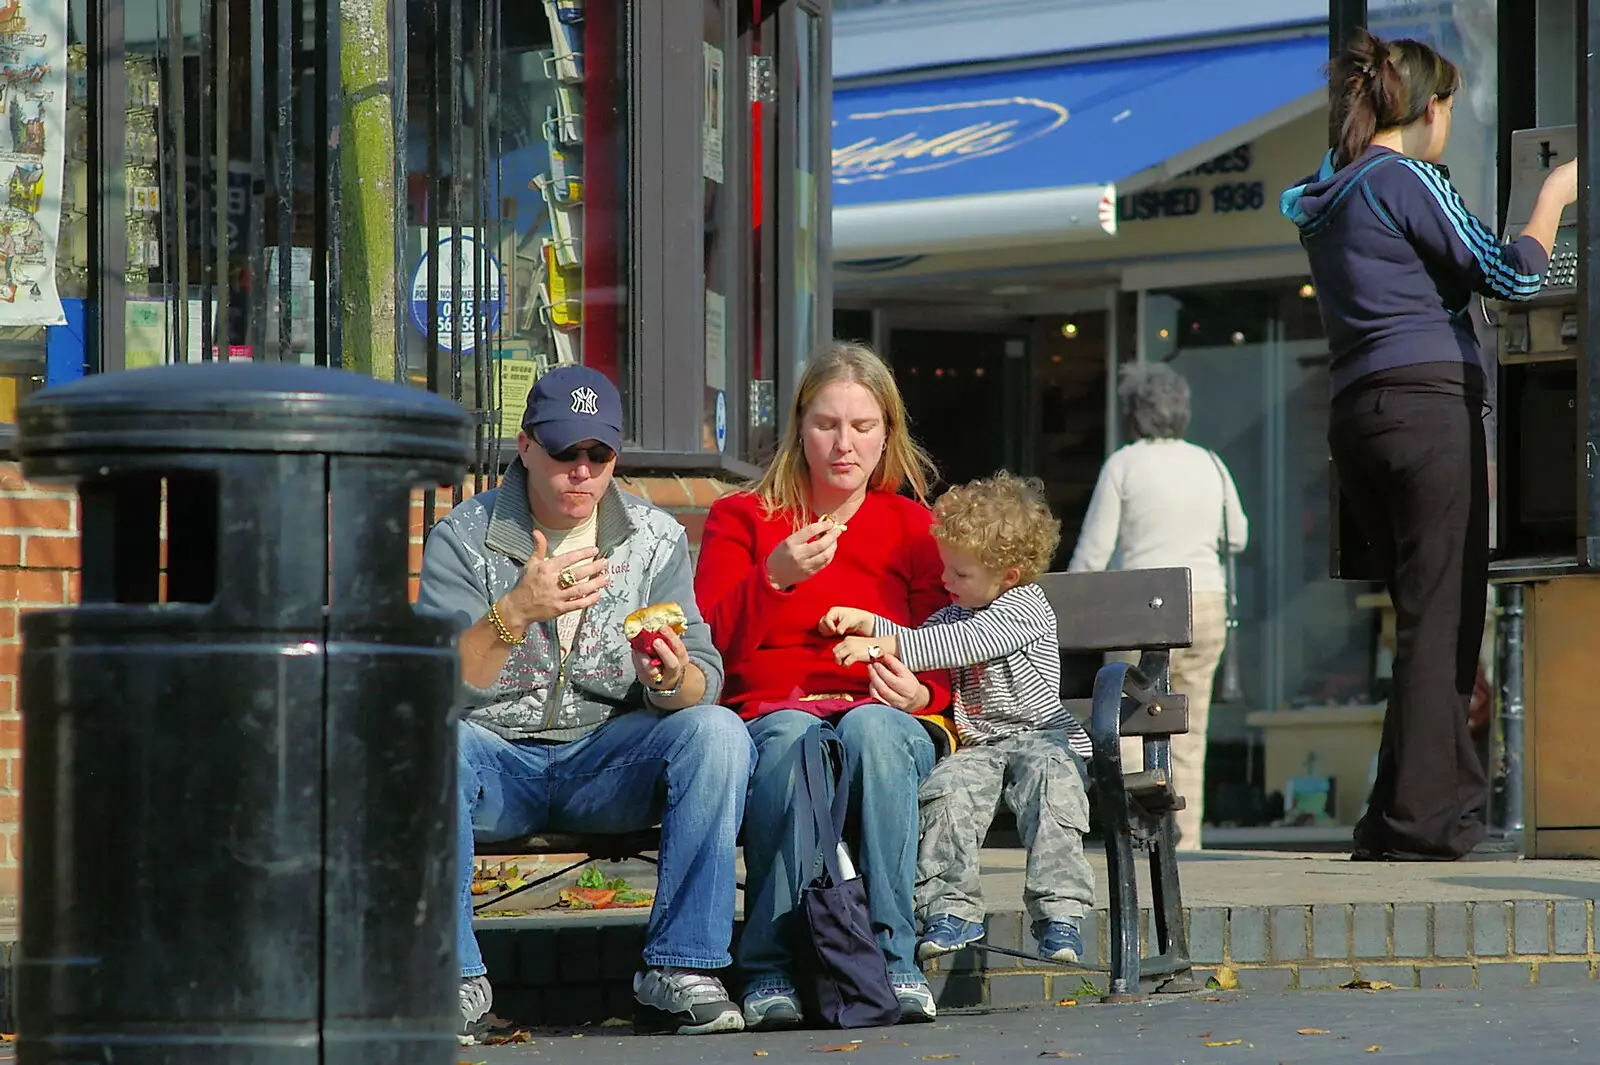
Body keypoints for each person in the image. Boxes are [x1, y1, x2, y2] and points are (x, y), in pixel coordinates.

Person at [1280, 29, 1578, 860]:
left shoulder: (1328, 189)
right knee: (1444, 620)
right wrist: (1555, 194)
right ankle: (1426, 824)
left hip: (1359, 415)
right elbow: (1515, 273)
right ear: (1430, 108)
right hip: (1426, 408)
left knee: (1423, 616)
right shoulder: (1406, 176)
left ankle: (1396, 817)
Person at [418, 365, 754, 1041]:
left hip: (606, 757)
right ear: (527, 446)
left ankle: (680, 967)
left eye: (598, 454)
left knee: (717, 732)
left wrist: (669, 676)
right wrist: (515, 609)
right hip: (495, 760)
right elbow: (430, 689)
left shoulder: (653, 538)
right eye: (565, 451)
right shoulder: (465, 536)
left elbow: (704, 679)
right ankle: (452, 977)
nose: (582, 470)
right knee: (431, 745)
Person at [694, 341, 952, 1030]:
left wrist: (922, 694)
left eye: (863, 427)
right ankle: (768, 966)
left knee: (873, 729)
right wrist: (773, 577)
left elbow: (949, 651)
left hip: (884, 713)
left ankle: (896, 958)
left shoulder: (913, 527)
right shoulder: (743, 517)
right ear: (799, 427)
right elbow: (710, 647)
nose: (844, 444)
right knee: (791, 738)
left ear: (887, 434)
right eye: (827, 424)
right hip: (776, 711)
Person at [824, 471, 1096, 964]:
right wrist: (870, 622)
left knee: (1053, 788)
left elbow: (958, 644)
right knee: (946, 789)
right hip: (981, 747)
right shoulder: (955, 611)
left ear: (1008, 575)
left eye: (960, 573)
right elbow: (924, 635)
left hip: (1043, 738)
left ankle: (1060, 915)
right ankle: (950, 911)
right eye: (946, 569)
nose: (945, 581)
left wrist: (882, 643)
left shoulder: (1024, 607)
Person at [1068, 364, 1247, 852]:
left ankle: (1135, 835)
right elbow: (1238, 536)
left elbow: (1093, 552)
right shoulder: (1210, 462)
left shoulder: (1124, 464)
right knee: (1191, 726)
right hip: (1203, 603)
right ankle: (1186, 843)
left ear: (1133, 413)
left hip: (1141, 610)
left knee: (1126, 724)